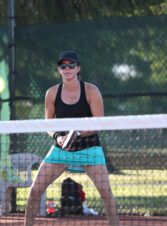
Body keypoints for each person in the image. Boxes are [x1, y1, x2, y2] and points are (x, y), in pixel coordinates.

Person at [25, 50, 120, 226]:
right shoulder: (52, 93)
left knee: (106, 194)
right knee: (34, 192)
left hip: (90, 149)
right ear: (59, 70)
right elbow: (49, 124)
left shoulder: (91, 91)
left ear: (78, 68)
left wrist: (76, 133)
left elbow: (99, 124)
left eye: (71, 65)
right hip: (61, 150)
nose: (67, 69)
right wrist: (58, 137)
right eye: (63, 66)